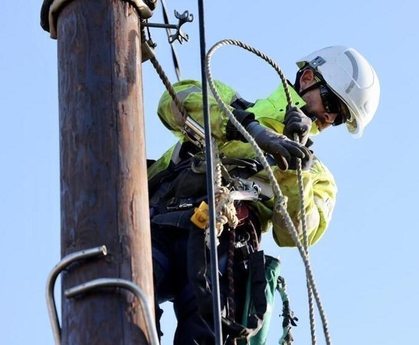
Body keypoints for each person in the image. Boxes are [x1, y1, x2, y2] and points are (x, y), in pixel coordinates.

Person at [147, 45, 380, 344]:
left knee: (206, 336)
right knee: (120, 301)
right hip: (160, 226)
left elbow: (296, 234)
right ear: (308, 78)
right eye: (331, 102)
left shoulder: (317, 178)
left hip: (224, 250)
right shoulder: (227, 101)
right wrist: (248, 128)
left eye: (339, 117)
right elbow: (172, 102)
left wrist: (293, 170)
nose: (329, 118)